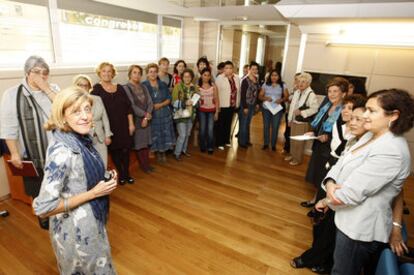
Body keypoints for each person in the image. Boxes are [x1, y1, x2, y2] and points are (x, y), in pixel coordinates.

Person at [316, 89, 414, 275]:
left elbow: (347, 196)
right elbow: (340, 164)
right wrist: (330, 183)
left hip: (359, 229)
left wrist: (328, 198)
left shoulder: (391, 150)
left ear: (393, 115)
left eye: (372, 111)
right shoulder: (371, 135)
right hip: (346, 219)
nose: (365, 116)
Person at [33, 87, 117, 274]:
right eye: (76, 111)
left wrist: (104, 180)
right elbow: (42, 208)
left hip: (92, 223)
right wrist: (94, 193)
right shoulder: (63, 151)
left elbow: (79, 177)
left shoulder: (81, 139)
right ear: (63, 117)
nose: (86, 116)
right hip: (76, 232)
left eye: (87, 109)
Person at [291, 95, 366, 274]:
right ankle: (320, 257)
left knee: (329, 226)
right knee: (320, 221)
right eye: (345, 108)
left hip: (342, 184)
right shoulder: (339, 127)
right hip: (331, 173)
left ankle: (317, 258)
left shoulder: (361, 136)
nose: (347, 111)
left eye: (352, 109)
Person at [0, 56, 57, 229]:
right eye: (37, 72)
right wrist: (15, 152)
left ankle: (59, 211)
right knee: (37, 188)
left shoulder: (53, 89)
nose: (41, 76)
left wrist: (46, 88)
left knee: (58, 186)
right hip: (32, 153)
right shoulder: (12, 94)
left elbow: (64, 110)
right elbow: (8, 126)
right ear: (27, 73)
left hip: (56, 150)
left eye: (45, 73)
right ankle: (43, 215)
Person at [302, 77, 349, 207]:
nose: (331, 94)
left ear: (343, 93)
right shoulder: (327, 105)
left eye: (335, 91)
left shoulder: (345, 110)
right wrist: (314, 133)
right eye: (329, 91)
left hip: (331, 150)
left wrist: (328, 137)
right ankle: (316, 200)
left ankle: (321, 204)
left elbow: (344, 135)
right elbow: (320, 124)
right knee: (318, 174)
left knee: (325, 176)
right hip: (319, 146)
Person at [92, 62, 135, 185]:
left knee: (126, 150)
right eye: (104, 71)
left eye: (109, 71)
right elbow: (94, 112)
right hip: (109, 127)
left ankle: (127, 174)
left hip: (123, 124)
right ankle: (121, 174)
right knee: (115, 151)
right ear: (99, 73)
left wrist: (131, 123)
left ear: (113, 73)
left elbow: (128, 107)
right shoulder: (96, 89)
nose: (106, 73)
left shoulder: (120, 87)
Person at [73, 74, 112, 168]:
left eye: (85, 85)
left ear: (89, 87)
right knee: (90, 166)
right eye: (80, 85)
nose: (83, 88)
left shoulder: (98, 99)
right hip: (85, 138)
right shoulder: (73, 102)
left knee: (103, 163)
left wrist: (108, 135)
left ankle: (104, 180)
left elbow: (105, 118)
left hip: (100, 137)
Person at [124, 65, 154, 173]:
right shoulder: (126, 88)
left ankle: (146, 164)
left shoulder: (143, 86)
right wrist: (145, 115)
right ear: (130, 74)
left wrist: (147, 116)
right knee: (140, 144)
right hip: (136, 120)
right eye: (134, 72)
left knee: (145, 143)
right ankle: (145, 166)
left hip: (146, 119)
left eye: (139, 73)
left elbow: (150, 102)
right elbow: (131, 106)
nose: (137, 75)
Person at [142, 63, 175, 163]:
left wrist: (160, 105)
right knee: (154, 133)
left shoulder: (162, 84)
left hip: (164, 112)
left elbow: (169, 99)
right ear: (147, 73)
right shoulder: (144, 85)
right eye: (150, 71)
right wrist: (151, 108)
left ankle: (163, 152)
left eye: (155, 71)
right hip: (152, 115)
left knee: (164, 132)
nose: (153, 73)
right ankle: (154, 151)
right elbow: (142, 101)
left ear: (157, 73)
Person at [285, 72, 319, 165]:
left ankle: (297, 159)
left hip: (302, 122)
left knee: (299, 142)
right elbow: (292, 107)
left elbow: (315, 109)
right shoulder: (297, 92)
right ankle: (293, 155)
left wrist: (302, 112)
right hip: (294, 120)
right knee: (292, 140)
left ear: (308, 83)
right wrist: (289, 119)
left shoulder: (311, 94)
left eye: (303, 82)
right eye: (299, 81)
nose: (300, 83)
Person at [258, 69, 289, 151]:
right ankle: (266, 144)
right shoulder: (265, 84)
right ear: (270, 76)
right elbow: (260, 96)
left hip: (277, 109)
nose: (274, 77)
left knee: (275, 127)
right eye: (272, 75)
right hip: (266, 108)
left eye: (276, 75)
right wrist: (265, 98)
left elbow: (287, 96)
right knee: (266, 126)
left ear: (279, 76)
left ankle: (273, 145)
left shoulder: (283, 85)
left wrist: (281, 100)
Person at [172, 69, 198, 161]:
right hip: (180, 115)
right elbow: (173, 102)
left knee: (187, 134)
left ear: (192, 77)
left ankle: (184, 150)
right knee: (182, 135)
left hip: (191, 114)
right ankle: (177, 153)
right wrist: (185, 103)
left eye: (189, 76)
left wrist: (195, 102)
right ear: (182, 77)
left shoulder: (195, 87)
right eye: (185, 76)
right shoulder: (177, 87)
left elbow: (197, 102)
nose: (187, 78)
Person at [215, 61, 241, 150]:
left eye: (230, 68)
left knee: (228, 123)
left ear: (233, 69)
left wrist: (237, 103)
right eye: (226, 68)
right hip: (222, 105)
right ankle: (220, 142)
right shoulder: (219, 78)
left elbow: (238, 92)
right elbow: (216, 93)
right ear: (223, 69)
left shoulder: (237, 78)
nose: (228, 70)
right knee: (221, 124)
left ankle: (227, 140)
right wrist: (217, 106)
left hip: (232, 104)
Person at [238, 61, 260, 148]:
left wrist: (257, 103)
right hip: (245, 105)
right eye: (253, 69)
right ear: (249, 69)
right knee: (243, 124)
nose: (255, 70)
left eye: (256, 69)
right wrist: (245, 107)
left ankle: (247, 140)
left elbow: (257, 92)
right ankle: (241, 142)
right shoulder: (245, 80)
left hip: (252, 104)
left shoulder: (256, 80)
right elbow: (242, 95)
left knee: (247, 123)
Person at [198, 68, 219, 154]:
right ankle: (203, 145)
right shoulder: (197, 87)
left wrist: (217, 112)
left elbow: (217, 99)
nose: (206, 77)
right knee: (202, 129)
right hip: (202, 111)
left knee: (210, 130)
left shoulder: (213, 86)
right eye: (204, 75)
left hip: (211, 110)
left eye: (208, 75)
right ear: (201, 76)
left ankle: (210, 146)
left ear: (210, 76)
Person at [282, 73, 300, 155]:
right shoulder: (295, 89)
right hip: (289, 113)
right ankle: (287, 148)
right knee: (287, 132)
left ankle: (290, 150)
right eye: (295, 79)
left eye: (297, 79)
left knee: (291, 133)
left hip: (295, 116)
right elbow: (289, 99)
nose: (295, 81)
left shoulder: (300, 90)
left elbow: (293, 101)